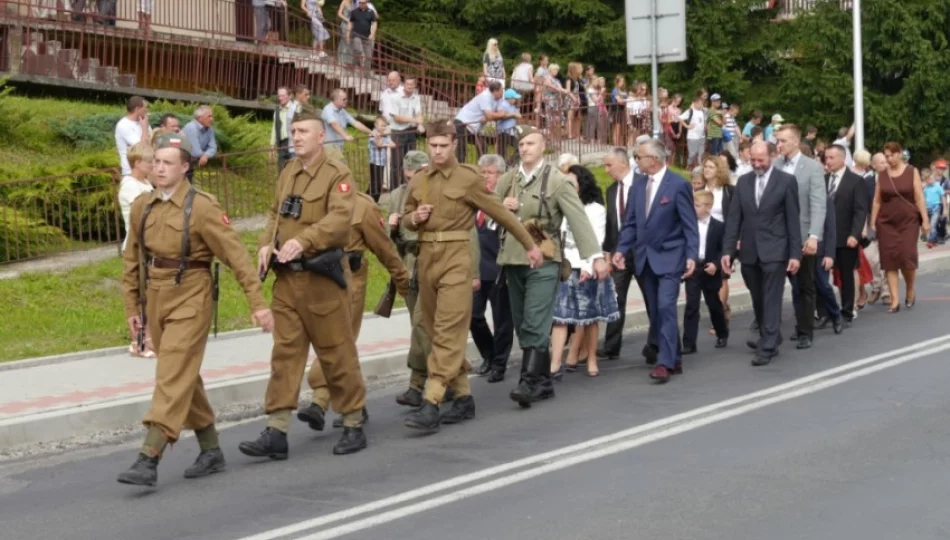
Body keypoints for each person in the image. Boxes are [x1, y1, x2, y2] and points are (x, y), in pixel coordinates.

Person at [117, 132, 274, 487]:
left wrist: (258, 304)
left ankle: (149, 456)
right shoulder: (144, 205)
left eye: (167, 162)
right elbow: (132, 260)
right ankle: (211, 448)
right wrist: (132, 305)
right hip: (156, 297)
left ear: (185, 168)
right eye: (155, 161)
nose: (159, 168)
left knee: (171, 374)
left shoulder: (202, 207)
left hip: (191, 294)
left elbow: (236, 258)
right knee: (184, 373)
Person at [238, 105, 368, 460]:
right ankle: (277, 429)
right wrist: (267, 243)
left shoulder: (336, 174)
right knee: (285, 356)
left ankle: (353, 420)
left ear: (320, 135)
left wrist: (304, 240)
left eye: (303, 132)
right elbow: (274, 212)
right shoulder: (289, 171)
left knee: (336, 352)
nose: (295, 137)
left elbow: (340, 220)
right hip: (287, 281)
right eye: (293, 132)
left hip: (321, 280)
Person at [400, 120, 541, 432]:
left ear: (453, 144)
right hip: (426, 260)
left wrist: (529, 244)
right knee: (436, 332)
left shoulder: (467, 177)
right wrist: (414, 217)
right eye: (432, 146)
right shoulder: (419, 180)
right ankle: (463, 397)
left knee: (449, 330)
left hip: (456, 260)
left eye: (442, 146)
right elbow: (406, 221)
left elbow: (499, 212)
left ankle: (433, 399)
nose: (436, 151)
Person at [496, 125, 608, 407]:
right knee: (522, 322)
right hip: (513, 257)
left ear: (543, 147)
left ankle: (528, 381)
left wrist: (595, 256)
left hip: (545, 259)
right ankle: (544, 381)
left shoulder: (558, 181)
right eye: (521, 144)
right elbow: (487, 213)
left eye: (530, 143)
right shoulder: (509, 179)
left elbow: (578, 218)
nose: (524, 149)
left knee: (535, 318)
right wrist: (501, 206)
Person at [298, 187, 411, 430]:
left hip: (351, 280)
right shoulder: (312, 202)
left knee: (338, 341)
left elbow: (384, 247)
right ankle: (355, 404)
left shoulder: (362, 205)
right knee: (332, 342)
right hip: (318, 279)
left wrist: (402, 278)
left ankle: (320, 399)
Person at [388, 151, 475, 406]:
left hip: (436, 260)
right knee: (421, 328)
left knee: (427, 327)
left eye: (420, 170)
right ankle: (423, 384)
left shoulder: (444, 187)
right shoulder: (397, 195)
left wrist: (474, 273)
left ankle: (440, 384)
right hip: (409, 265)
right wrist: (394, 226)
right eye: (412, 172)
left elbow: (466, 233)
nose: (418, 176)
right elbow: (391, 233)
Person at [612, 138, 699, 383]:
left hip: (671, 257)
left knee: (666, 306)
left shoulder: (678, 184)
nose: (636, 161)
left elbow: (689, 225)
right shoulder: (637, 186)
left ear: (654, 159)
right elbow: (630, 223)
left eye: (639, 157)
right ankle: (674, 356)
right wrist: (621, 249)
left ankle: (664, 361)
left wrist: (692, 255)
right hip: (644, 259)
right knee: (655, 311)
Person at [722, 141, 802, 366]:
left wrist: (795, 254)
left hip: (775, 250)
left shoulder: (786, 182)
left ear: (773, 157)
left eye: (761, 160)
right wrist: (728, 251)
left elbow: (792, 221)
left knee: (771, 297)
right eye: (753, 160)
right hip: (749, 251)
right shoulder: (743, 183)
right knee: (757, 297)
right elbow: (734, 219)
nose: (756, 164)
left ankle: (767, 345)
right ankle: (771, 334)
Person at [551, 165, 619, 378]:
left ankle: (591, 359)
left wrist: (589, 267)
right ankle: (554, 364)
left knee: (590, 319)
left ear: (582, 185)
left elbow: (596, 239)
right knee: (560, 317)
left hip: (586, 267)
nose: (568, 187)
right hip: (564, 268)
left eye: (572, 183)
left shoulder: (595, 209)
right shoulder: (559, 206)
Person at [775, 124, 826, 350]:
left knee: (804, 285)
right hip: (777, 236)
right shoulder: (775, 166)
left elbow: (818, 204)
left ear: (795, 142)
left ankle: (805, 330)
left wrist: (814, 235)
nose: (779, 145)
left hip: (803, 234)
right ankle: (770, 333)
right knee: (773, 285)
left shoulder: (812, 168)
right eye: (777, 141)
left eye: (783, 141)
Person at [871, 142, 931, 313]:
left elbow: (919, 197)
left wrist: (925, 220)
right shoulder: (882, 175)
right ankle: (895, 300)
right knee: (889, 260)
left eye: (892, 155)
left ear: (899, 154)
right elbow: (877, 200)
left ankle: (910, 288)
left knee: (907, 257)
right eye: (886, 156)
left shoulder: (912, 171)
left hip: (908, 221)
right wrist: (872, 223)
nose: (889, 159)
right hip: (887, 222)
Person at [471, 154, 514, 383]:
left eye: (489, 173)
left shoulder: (507, 199)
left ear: (500, 176)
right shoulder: (476, 198)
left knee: (502, 320)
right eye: (482, 173)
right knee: (473, 315)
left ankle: (499, 363)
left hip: (499, 268)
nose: (485, 177)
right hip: (477, 270)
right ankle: (488, 355)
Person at [824, 144, 868, 325]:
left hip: (845, 236)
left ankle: (847, 310)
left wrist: (854, 234)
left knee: (846, 275)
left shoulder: (855, 181)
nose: (827, 161)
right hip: (825, 237)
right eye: (826, 158)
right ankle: (826, 312)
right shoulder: (823, 179)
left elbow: (860, 210)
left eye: (831, 158)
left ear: (842, 159)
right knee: (821, 276)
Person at [682, 190, 728, 354]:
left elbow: (722, 250)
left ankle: (722, 333)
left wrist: (716, 264)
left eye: (698, 205)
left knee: (713, 303)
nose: (694, 208)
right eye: (694, 205)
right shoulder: (689, 224)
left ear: (708, 207)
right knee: (691, 305)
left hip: (710, 269)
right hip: (694, 267)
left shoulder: (718, 226)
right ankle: (689, 343)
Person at [181, 106, 218, 182]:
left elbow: (213, 147)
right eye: (209, 116)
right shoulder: (191, 128)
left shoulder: (209, 129)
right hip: (180, 163)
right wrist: (204, 155)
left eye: (212, 116)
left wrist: (206, 155)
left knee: (187, 185)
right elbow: (195, 151)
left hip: (189, 163)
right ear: (199, 118)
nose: (212, 119)